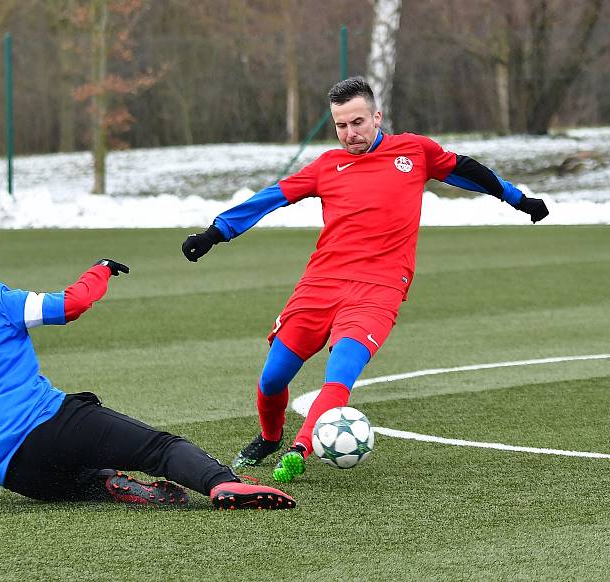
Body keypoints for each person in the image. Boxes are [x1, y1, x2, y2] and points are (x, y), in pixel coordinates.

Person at [181, 76, 549, 483]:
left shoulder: (413, 151)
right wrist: (216, 232)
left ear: (377, 117)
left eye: (357, 122)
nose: (350, 133)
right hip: (321, 284)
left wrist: (519, 199)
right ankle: (270, 437)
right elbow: (271, 197)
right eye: (341, 126)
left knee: (339, 376)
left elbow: (467, 170)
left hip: (380, 288)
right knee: (272, 379)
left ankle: (302, 447)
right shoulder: (326, 167)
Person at [0, 228, 295, 510]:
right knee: (158, 448)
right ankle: (223, 483)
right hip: (51, 424)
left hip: (13, 473)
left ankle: (106, 482)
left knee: (88, 479)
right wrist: (98, 271)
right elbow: (70, 305)